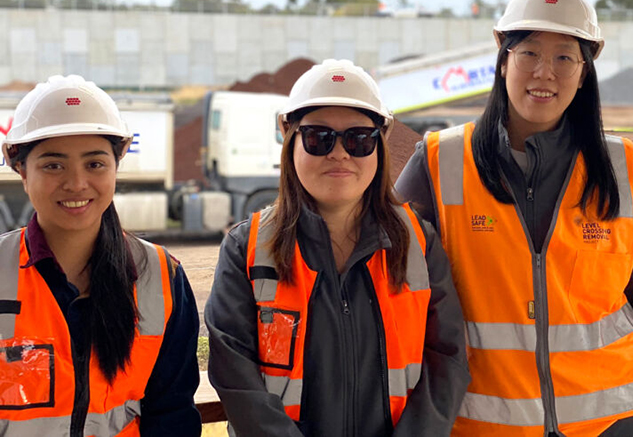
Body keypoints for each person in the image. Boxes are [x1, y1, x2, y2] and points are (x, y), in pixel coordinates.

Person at [396, 0, 633, 436]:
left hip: (620, 416)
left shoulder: (619, 165)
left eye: (565, 57)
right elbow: (397, 295)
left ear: (584, 73)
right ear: (503, 59)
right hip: (487, 420)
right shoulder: (440, 161)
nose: (545, 73)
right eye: (529, 54)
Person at [205, 59, 469, 436]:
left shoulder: (418, 245)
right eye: (319, 138)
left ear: (378, 146)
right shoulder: (247, 248)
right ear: (290, 140)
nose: (340, 153)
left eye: (359, 139)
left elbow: (448, 360)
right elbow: (235, 375)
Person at [0, 75, 201, 436]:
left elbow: (171, 415)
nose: (76, 183)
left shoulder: (161, 277)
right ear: (20, 170)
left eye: (95, 164)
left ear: (116, 165)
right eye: (53, 165)